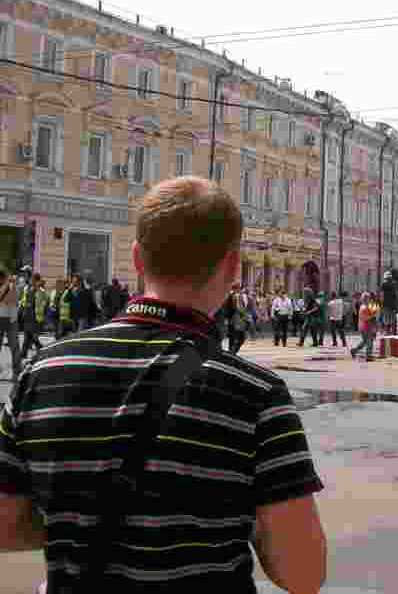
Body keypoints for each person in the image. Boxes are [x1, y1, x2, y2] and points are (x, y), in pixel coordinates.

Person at [0, 176, 326, 592]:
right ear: (231, 267)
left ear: (137, 258)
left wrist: (74, 523)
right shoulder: (257, 394)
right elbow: (303, 573)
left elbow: (5, 524)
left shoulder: (42, 371)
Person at [0, 270, 19, 378]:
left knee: (14, 347)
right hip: (7, 318)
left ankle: (16, 372)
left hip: (11, 319)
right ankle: (16, 372)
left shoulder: (11, 287)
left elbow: (14, 300)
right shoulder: (8, 286)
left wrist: (11, 285)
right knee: (15, 347)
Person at [352, 293, 376, 361]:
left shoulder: (364, 306)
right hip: (366, 326)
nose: (369, 300)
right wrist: (372, 316)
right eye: (368, 298)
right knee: (369, 341)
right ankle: (368, 356)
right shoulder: (364, 307)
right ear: (366, 299)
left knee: (365, 341)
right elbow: (366, 318)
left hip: (363, 326)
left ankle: (354, 350)